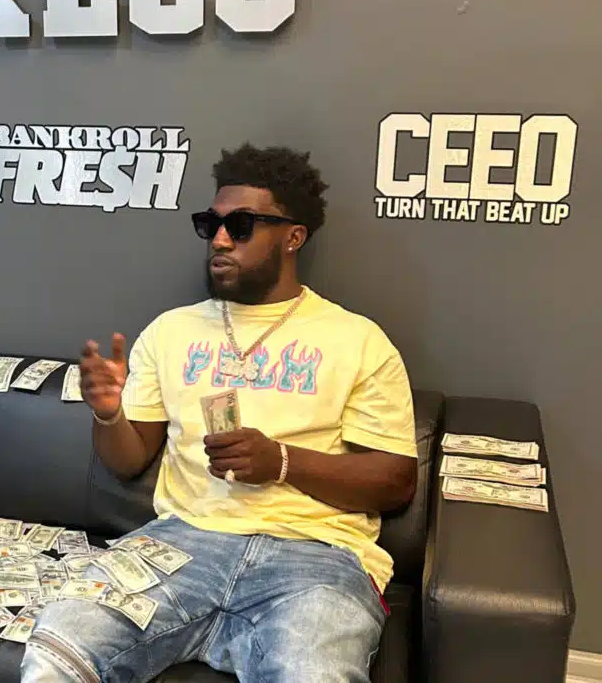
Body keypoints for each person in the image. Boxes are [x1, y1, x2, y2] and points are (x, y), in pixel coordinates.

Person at [22, 144, 418, 683]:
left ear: (293, 237)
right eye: (211, 225)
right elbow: (127, 460)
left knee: (312, 673)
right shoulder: (170, 331)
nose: (221, 239)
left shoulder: (359, 340)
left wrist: (281, 461)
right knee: (60, 643)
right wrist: (110, 415)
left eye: (242, 225)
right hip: (182, 543)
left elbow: (394, 481)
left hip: (314, 556)